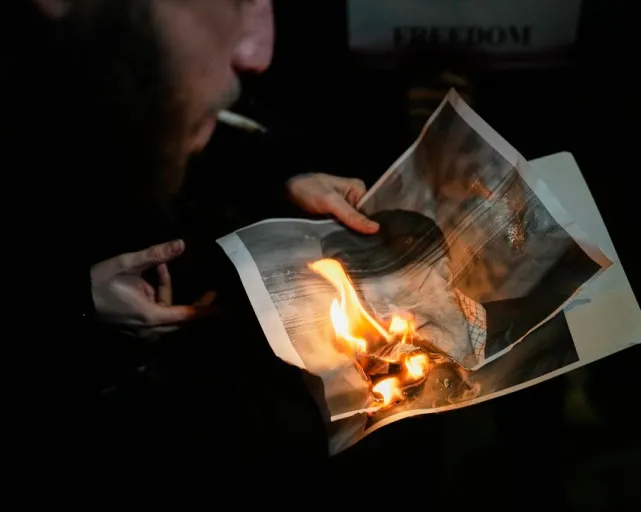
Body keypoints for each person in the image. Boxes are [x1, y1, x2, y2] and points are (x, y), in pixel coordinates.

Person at [4, 0, 379, 485]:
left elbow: (214, 123)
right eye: (235, 1)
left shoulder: (124, 72)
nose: (258, 53)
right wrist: (75, 301)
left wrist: (285, 177)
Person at [320, 209, 600, 369]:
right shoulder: (389, 379)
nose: (399, 320)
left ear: (444, 274)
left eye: (406, 296)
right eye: (380, 306)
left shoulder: (556, 320)